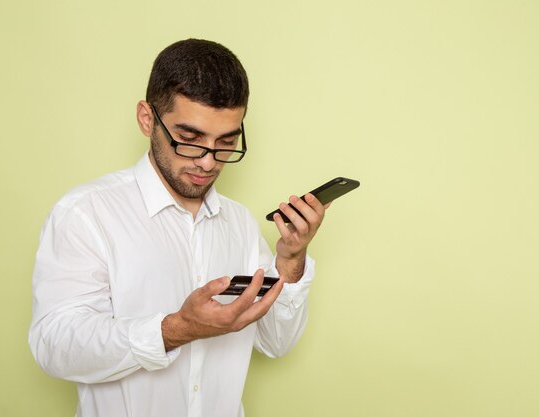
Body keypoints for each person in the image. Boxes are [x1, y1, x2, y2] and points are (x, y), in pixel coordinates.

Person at [28, 38, 326, 417]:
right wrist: (176, 329)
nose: (207, 162)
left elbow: (275, 343)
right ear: (147, 119)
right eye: (189, 140)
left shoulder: (240, 223)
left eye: (225, 142)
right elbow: (54, 348)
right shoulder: (87, 213)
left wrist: (291, 261)